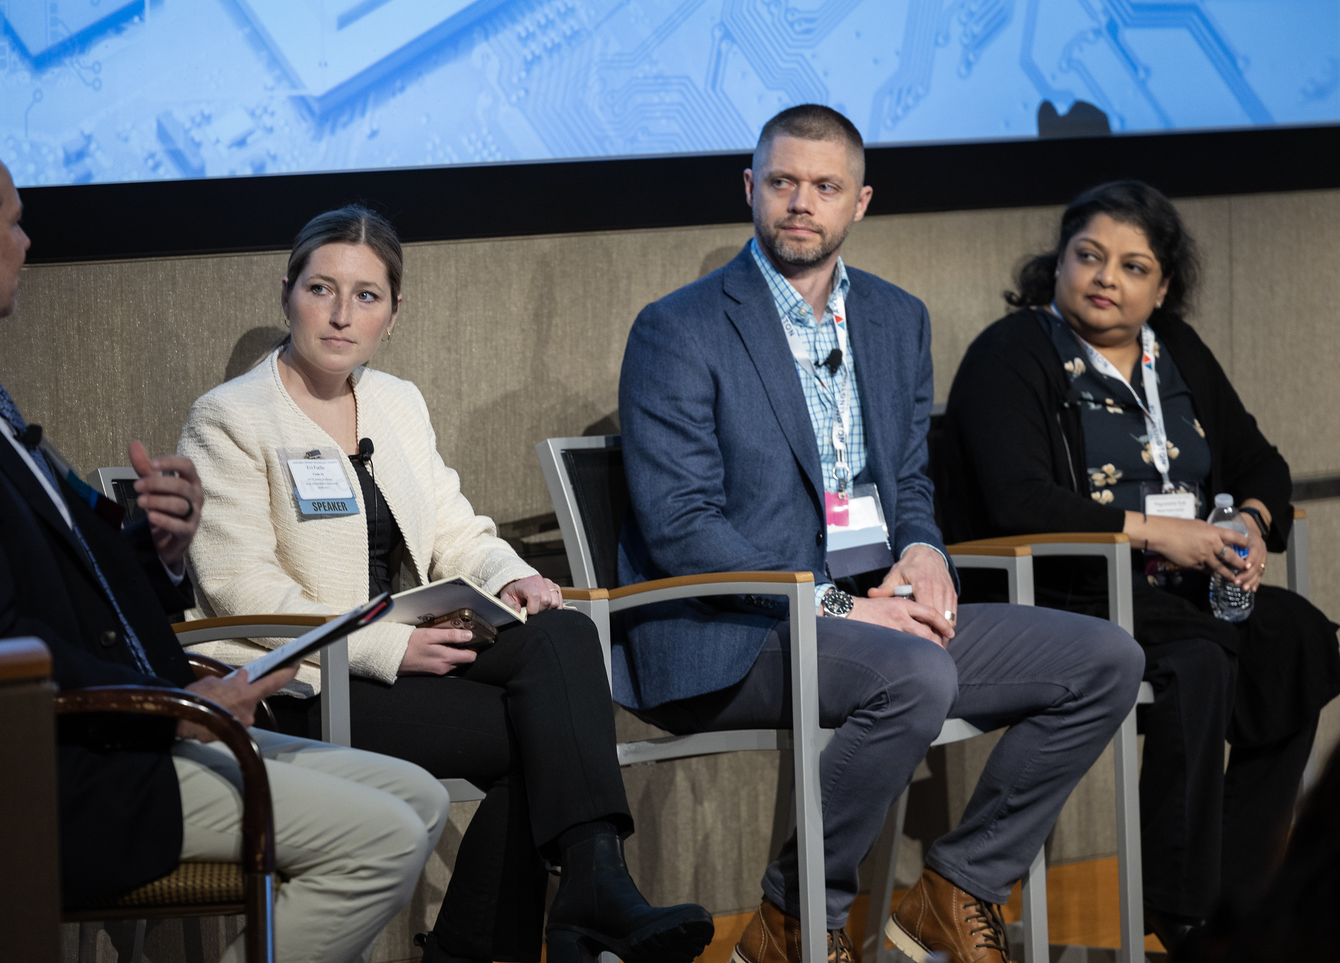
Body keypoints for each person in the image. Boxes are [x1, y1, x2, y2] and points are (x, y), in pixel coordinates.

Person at [0, 136, 450, 963]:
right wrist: (172, 705)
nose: (27, 242)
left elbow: (69, 577)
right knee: (383, 840)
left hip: (139, 711)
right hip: (75, 764)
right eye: (15, 221)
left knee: (417, 793)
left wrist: (162, 548)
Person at [614, 105, 1146, 963]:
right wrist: (835, 604)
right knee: (913, 673)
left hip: (881, 612)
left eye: (824, 187)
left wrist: (926, 551)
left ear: (858, 202)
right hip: (737, 628)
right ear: (751, 189)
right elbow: (681, 528)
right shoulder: (680, 328)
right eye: (783, 182)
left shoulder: (897, 319)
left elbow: (906, 482)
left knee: (1107, 659)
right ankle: (799, 922)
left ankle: (961, 883)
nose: (800, 203)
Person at [177, 205, 714, 963]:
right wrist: (392, 645)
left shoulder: (397, 403)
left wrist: (513, 574)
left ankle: (590, 877)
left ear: (393, 314)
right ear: (287, 293)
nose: (340, 313)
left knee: (560, 630)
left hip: (405, 646)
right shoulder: (229, 417)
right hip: (303, 678)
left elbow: (455, 531)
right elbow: (242, 591)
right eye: (321, 288)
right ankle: (551, 914)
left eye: (366, 295)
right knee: (542, 736)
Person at [940, 180, 1340, 955]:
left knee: (1303, 641)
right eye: (1088, 256)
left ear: (1162, 286)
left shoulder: (1177, 350)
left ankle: (1241, 892)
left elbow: (1263, 462)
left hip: (1184, 583)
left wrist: (1250, 522)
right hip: (1068, 584)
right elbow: (1018, 500)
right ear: (1057, 263)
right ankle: (1183, 908)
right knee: (1198, 658)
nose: (1105, 278)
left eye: (1132, 266)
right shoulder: (1014, 350)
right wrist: (1157, 534)